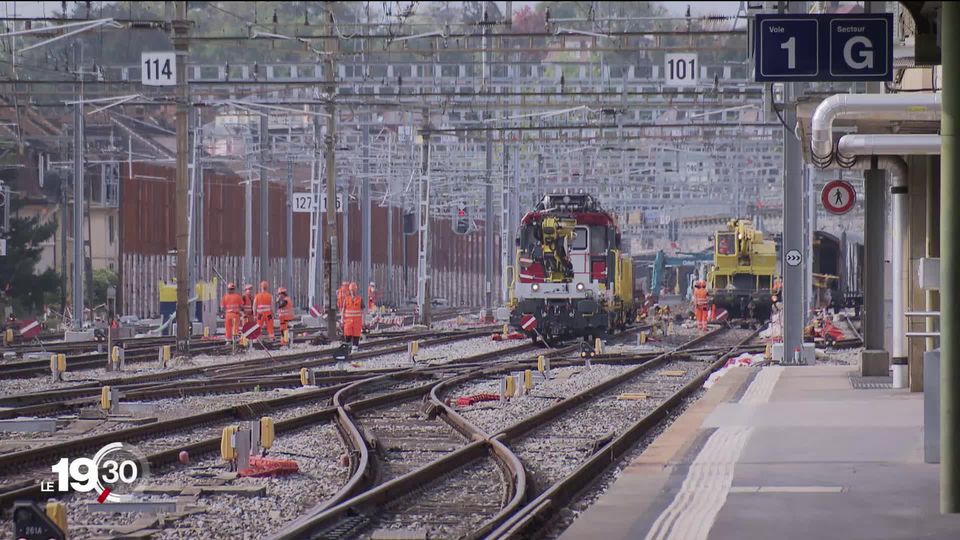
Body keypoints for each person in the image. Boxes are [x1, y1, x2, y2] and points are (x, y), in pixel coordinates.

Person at [342, 282, 364, 347]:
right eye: (351, 290)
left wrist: (363, 321)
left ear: (356, 290)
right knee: (347, 337)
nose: (352, 292)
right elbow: (343, 309)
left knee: (356, 337)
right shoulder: (346, 299)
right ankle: (348, 350)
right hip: (348, 323)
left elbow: (363, 311)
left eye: (354, 290)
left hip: (357, 323)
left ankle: (354, 351)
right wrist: (342, 319)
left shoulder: (360, 299)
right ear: (350, 290)